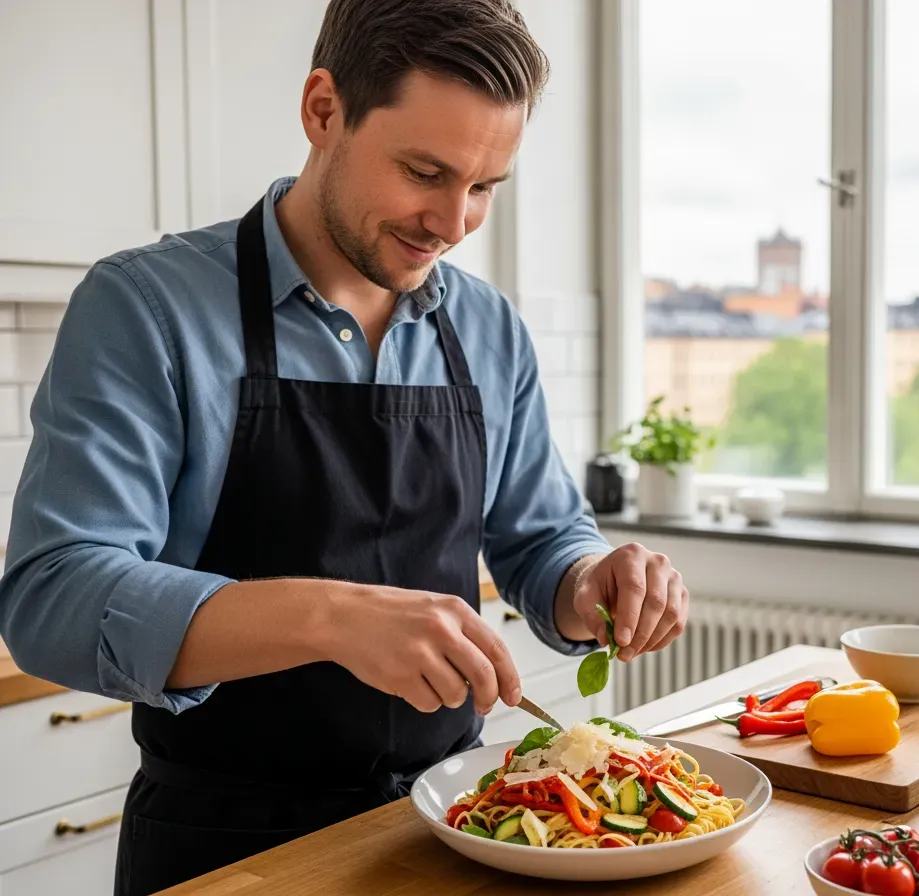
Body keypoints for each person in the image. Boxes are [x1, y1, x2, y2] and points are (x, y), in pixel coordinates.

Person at [0, 2, 689, 893]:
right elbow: (54, 594)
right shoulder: (146, 306)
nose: (452, 223)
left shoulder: (489, 329)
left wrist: (593, 581)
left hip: (451, 826)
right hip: (223, 845)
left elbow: (540, 539)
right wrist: (333, 618)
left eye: (484, 188)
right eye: (425, 172)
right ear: (323, 109)